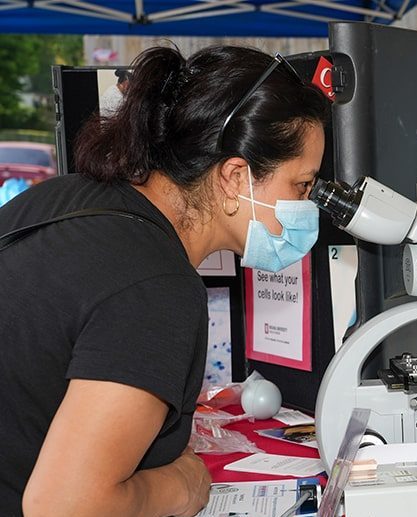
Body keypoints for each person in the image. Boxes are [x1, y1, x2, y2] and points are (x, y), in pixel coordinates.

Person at [0, 45, 329, 515]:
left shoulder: (63, 197)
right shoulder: (156, 286)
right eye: (301, 186)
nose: (307, 205)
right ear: (235, 177)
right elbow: (65, 505)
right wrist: (182, 483)